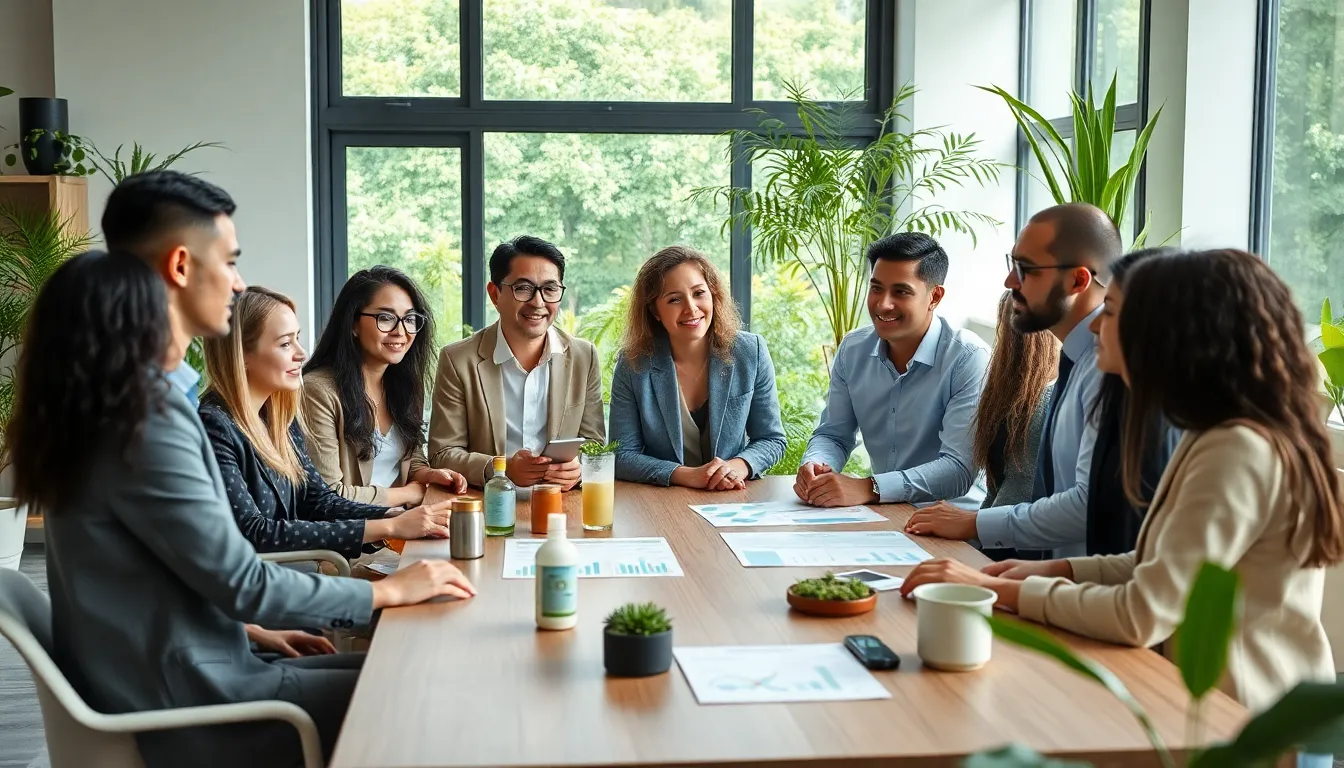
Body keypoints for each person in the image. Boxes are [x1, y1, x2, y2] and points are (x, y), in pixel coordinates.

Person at [8, 171, 474, 768]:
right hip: (195, 705)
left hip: (193, 670)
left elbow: (164, 573)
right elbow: (243, 576)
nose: (237, 282)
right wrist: (388, 590)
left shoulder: (121, 404)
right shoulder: (147, 419)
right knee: (426, 687)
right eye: (229, 262)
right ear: (182, 266)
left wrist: (248, 632)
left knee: (412, 668)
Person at [901, 248, 1343, 718]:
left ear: (1165, 333)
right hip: (1218, 708)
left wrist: (997, 590)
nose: (1095, 327)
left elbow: (1141, 614)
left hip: (1247, 722)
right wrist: (1056, 571)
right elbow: (1162, 563)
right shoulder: (1214, 433)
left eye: (1109, 312)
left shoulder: (1236, 449)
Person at [906, 203, 1118, 557]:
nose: (1010, 282)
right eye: (1012, 263)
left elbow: (1089, 506)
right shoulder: (1076, 362)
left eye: (1027, 269)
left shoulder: (1108, 367)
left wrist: (974, 525)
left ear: (1078, 281)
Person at [200, 286, 454, 560]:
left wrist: (391, 515)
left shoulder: (277, 417)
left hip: (295, 570)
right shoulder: (214, 425)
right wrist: (389, 526)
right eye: (285, 344)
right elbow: (255, 533)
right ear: (241, 355)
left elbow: (318, 501)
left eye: (297, 339)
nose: (301, 353)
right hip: (268, 580)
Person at [794, 232, 990, 509]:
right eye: (876, 288)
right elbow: (834, 435)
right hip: (885, 513)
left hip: (953, 519)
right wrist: (815, 465)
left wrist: (870, 487)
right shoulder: (853, 349)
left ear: (934, 296)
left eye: (901, 292)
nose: (883, 304)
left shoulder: (968, 358)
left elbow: (958, 469)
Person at [429, 235, 606, 488]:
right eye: (523, 288)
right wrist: (502, 469)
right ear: (495, 294)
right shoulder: (458, 360)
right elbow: (442, 453)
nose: (538, 302)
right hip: (487, 500)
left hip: (560, 501)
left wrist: (579, 470)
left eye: (550, 289)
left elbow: (595, 445)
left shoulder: (583, 356)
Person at [608, 246, 786, 488]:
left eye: (699, 293)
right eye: (674, 299)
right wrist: (686, 475)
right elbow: (622, 455)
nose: (691, 308)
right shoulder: (633, 364)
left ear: (713, 294)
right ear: (654, 310)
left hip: (731, 495)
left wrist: (736, 467)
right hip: (662, 500)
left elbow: (771, 440)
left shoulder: (750, 351)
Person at [304, 266, 467, 507]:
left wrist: (428, 474)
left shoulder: (404, 385)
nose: (401, 331)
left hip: (403, 520)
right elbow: (329, 496)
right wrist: (408, 494)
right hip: (359, 528)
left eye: (409, 319)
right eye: (386, 318)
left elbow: (409, 458)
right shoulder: (317, 392)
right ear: (353, 323)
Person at [1082, 248, 1181, 555]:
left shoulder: (1206, 438)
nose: (1094, 326)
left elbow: (1206, 572)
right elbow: (1149, 562)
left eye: (1109, 311)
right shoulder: (1133, 405)